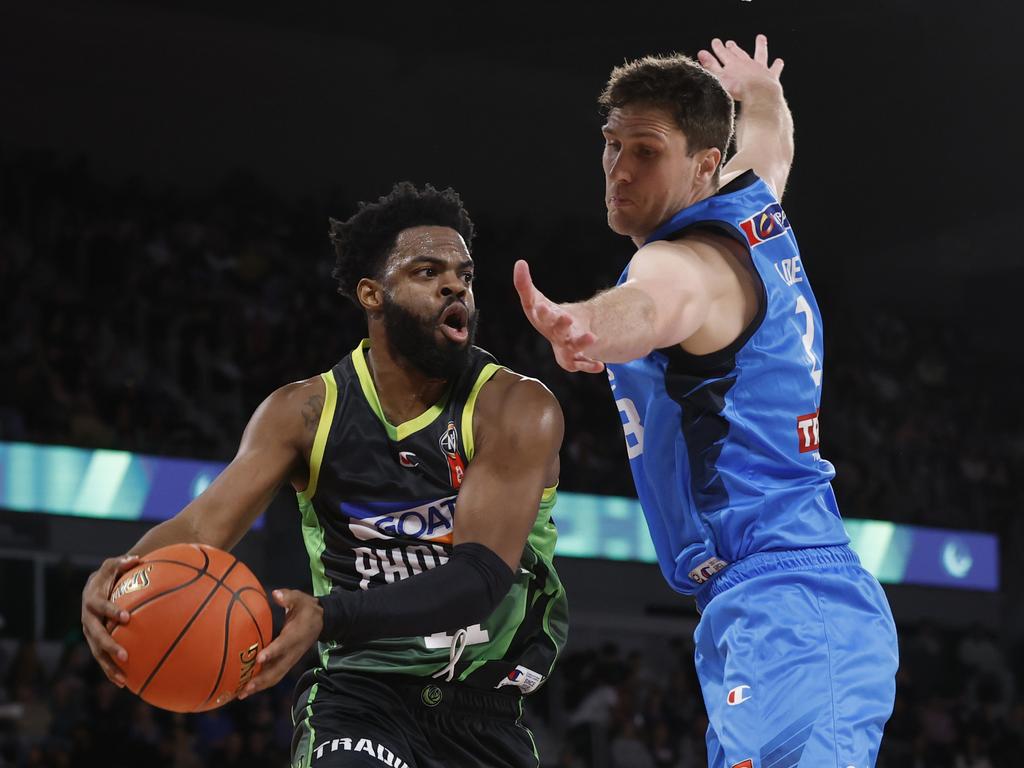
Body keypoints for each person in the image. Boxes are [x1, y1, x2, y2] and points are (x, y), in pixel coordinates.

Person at [81, 182, 569, 768]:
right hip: (358, 695)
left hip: (486, 710)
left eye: (464, 274)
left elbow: (478, 581)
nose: (454, 285)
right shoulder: (304, 413)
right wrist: (118, 581)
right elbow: (201, 526)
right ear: (372, 294)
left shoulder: (516, 409)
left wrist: (326, 615)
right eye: (426, 271)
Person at [514, 35, 898, 767]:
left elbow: (650, 309)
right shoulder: (752, 202)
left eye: (645, 151)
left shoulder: (682, 261)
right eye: (611, 144)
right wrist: (762, 92)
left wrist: (586, 324)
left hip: (786, 605)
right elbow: (771, 144)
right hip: (779, 604)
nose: (618, 170)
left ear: (701, 166)